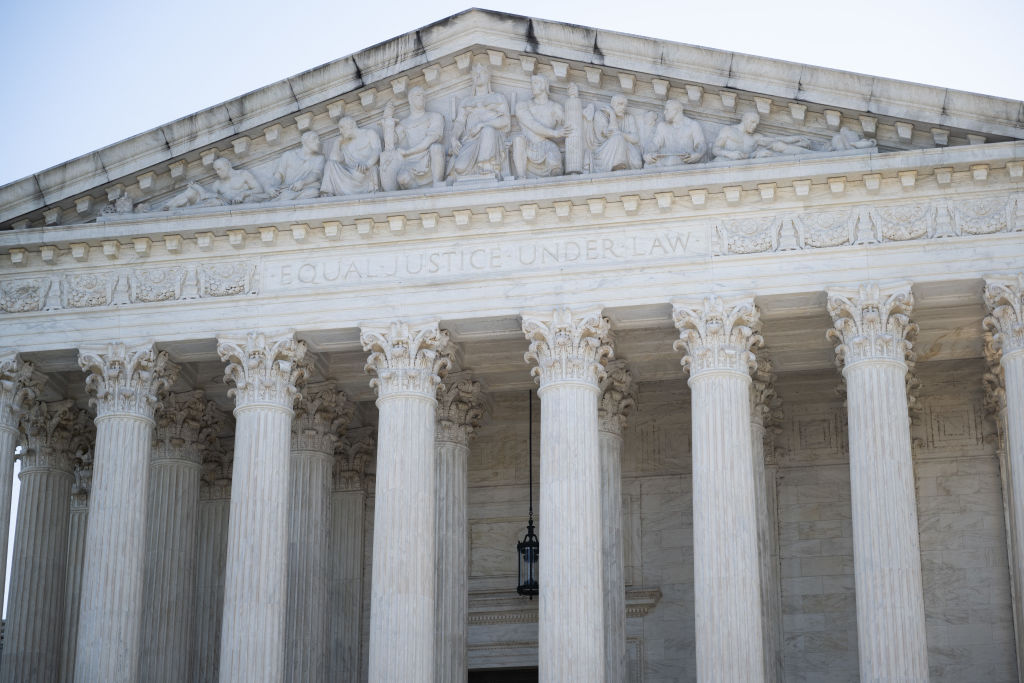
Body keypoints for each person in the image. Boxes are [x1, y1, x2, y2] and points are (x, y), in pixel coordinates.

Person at [447, 63, 511, 180]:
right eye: (475, 73)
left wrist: (482, 125)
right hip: (471, 139)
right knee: (460, 167)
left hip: (493, 137)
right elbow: (459, 123)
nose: (478, 75)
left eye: (482, 72)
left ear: (488, 77)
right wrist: (454, 137)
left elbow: (506, 121)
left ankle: (486, 164)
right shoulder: (466, 101)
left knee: (487, 131)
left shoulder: (498, 98)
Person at [379, 86, 445, 191]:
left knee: (436, 148)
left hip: (428, 157)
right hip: (411, 161)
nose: (422, 98)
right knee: (402, 178)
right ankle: (420, 198)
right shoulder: (404, 123)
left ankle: (437, 185)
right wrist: (388, 120)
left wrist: (408, 152)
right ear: (410, 100)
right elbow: (390, 145)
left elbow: (430, 140)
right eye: (418, 95)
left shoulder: (434, 116)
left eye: (423, 95)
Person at [512, 74, 570, 178]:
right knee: (518, 140)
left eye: (535, 83)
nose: (532, 86)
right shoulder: (522, 106)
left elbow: (569, 126)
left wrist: (582, 114)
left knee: (556, 172)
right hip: (527, 146)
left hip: (548, 147)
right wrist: (555, 133)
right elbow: (532, 125)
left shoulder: (555, 108)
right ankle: (521, 178)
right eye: (532, 83)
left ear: (544, 85)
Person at [163, 157, 265, 209]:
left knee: (215, 202)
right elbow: (206, 197)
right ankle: (167, 207)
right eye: (216, 170)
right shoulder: (217, 184)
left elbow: (259, 189)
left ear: (227, 165)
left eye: (219, 169)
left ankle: (186, 210)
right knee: (192, 191)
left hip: (238, 204)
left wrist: (242, 194)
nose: (217, 172)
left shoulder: (243, 174)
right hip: (222, 204)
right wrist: (198, 188)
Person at [320, 117, 381, 196]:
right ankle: (327, 193)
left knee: (372, 169)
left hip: (366, 172)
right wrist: (337, 142)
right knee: (330, 164)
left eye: (342, 128)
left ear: (351, 125)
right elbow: (334, 159)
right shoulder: (345, 144)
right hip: (350, 174)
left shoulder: (369, 133)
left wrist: (367, 164)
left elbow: (377, 150)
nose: (340, 131)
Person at [713, 112, 812, 160]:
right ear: (744, 119)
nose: (754, 126)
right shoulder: (728, 130)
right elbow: (715, 150)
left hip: (746, 168)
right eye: (752, 122)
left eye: (756, 124)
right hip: (725, 165)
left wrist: (796, 138)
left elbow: (775, 140)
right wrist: (729, 154)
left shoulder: (755, 138)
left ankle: (811, 155)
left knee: (777, 146)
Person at [587, 94, 642, 173]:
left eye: (625, 105)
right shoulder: (600, 114)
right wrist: (612, 115)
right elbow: (611, 133)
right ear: (612, 104)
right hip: (604, 152)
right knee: (618, 138)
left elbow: (635, 138)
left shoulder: (629, 117)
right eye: (620, 104)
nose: (623, 107)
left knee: (637, 161)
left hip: (626, 150)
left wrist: (620, 133)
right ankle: (618, 167)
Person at [643, 99, 707, 167]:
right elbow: (654, 144)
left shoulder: (692, 125)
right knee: (647, 166)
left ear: (676, 110)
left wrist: (697, 155)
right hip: (666, 162)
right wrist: (647, 154)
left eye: (667, 109)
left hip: (686, 163)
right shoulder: (662, 126)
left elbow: (700, 144)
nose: (664, 112)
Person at [268, 131, 325, 200]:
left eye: (318, 139)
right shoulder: (288, 155)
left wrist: (302, 182)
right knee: (286, 194)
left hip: (306, 189)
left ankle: (287, 198)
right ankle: (287, 197)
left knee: (314, 192)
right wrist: (271, 187)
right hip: (288, 189)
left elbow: (316, 174)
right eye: (314, 139)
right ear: (305, 141)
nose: (318, 142)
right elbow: (279, 174)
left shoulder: (319, 158)